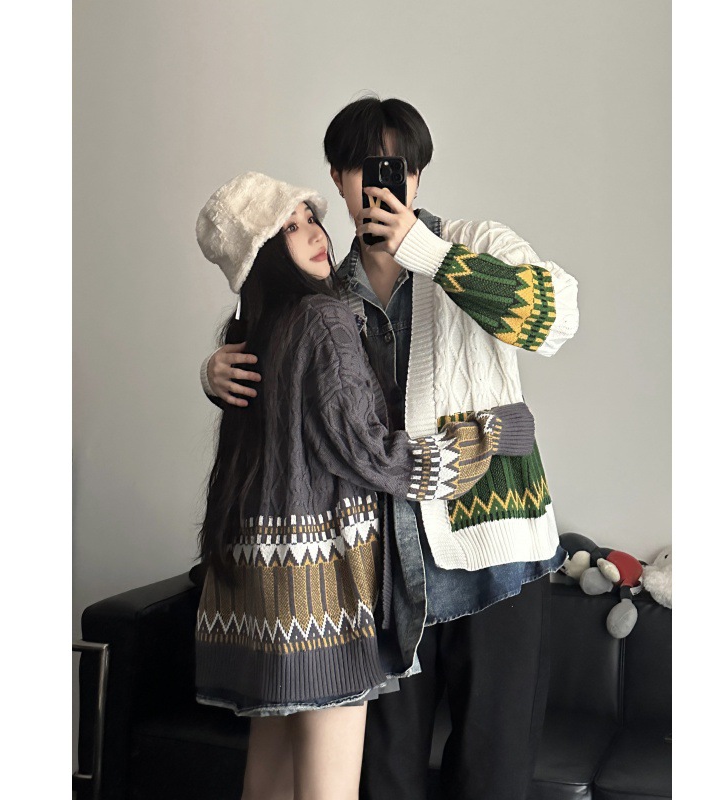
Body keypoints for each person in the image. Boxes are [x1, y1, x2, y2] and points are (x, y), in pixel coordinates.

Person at [202, 97, 580, 800]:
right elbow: (288, 394)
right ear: (339, 179)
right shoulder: (324, 290)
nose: (386, 183)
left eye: (400, 167)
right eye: (366, 168)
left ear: (418, 175)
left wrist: (424, 252)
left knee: (493, 779)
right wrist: (215, 372)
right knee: (385, 781)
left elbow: (552, 320)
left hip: (498, 561)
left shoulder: (472, 242)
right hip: (383, 577)